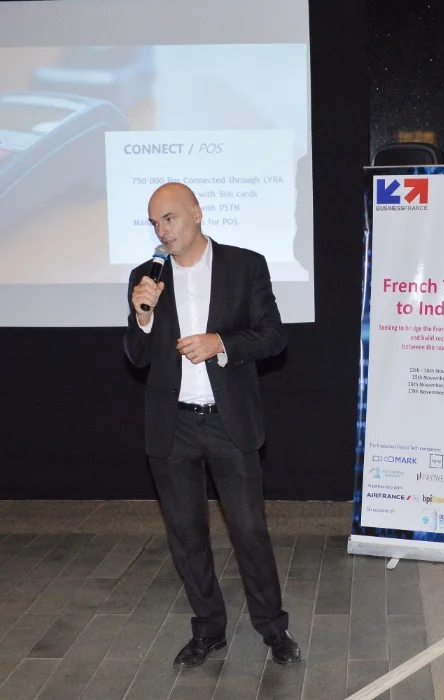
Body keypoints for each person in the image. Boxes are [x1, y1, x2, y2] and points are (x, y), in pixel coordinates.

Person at [124, 183, 300, 668]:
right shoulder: (147, 277)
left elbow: (273, 336)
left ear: (197, 213)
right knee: (187, 537)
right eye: (155, 222)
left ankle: (273, 628)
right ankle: (208, 629)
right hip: (173, 427)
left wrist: (220, 342)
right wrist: (142, 316)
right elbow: (137, 357)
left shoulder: (245, 266)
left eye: (170, 218)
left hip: (228, 423)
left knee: (248, 531)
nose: (162, 230)